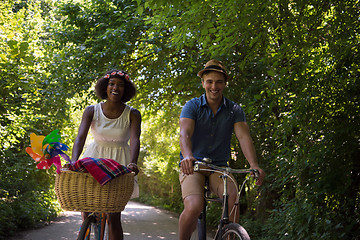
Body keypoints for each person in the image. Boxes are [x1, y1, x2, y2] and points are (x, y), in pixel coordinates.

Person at [178, 59, 265, 240]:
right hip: (193, 165)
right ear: (203, 83)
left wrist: (254, 164)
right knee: (194, 205)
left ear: (225, 84)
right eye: (209, 81)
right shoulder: (192, 106)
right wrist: (187, 156)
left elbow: (243, 137)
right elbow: (185, 134)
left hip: (219, 167)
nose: (214, 86)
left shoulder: (234, 110)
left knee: (233, 198)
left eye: (218, 82)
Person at [71, 70, 141, 240]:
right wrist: (74, 160)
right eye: (111, 84)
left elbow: (135, 140)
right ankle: (86, 231)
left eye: (120, 85)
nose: (115, 87)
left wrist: (133, 162)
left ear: (126, 90)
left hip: (119, 163)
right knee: (86, 207)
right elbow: (80, 137)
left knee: (114, 217)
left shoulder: (132, 114)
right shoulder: (91, 110)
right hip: (94, 158)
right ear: (105, 87)